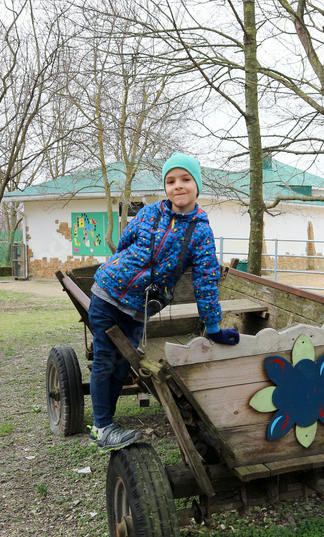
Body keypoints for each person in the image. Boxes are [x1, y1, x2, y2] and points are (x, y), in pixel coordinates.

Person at [87, 152, 240, 450]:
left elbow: (206, 280)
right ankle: (103, 427)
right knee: (106, 360)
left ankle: (106, 422)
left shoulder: (201, 232)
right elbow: (124, 244)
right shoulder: (148, 213)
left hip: (137, 311)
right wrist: (125, 271)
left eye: (185, 179)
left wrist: (213, 327)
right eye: (171, 181)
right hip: (106, 295)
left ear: (197, 185)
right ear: (165, 186)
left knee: (122, 366)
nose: (177, 186)